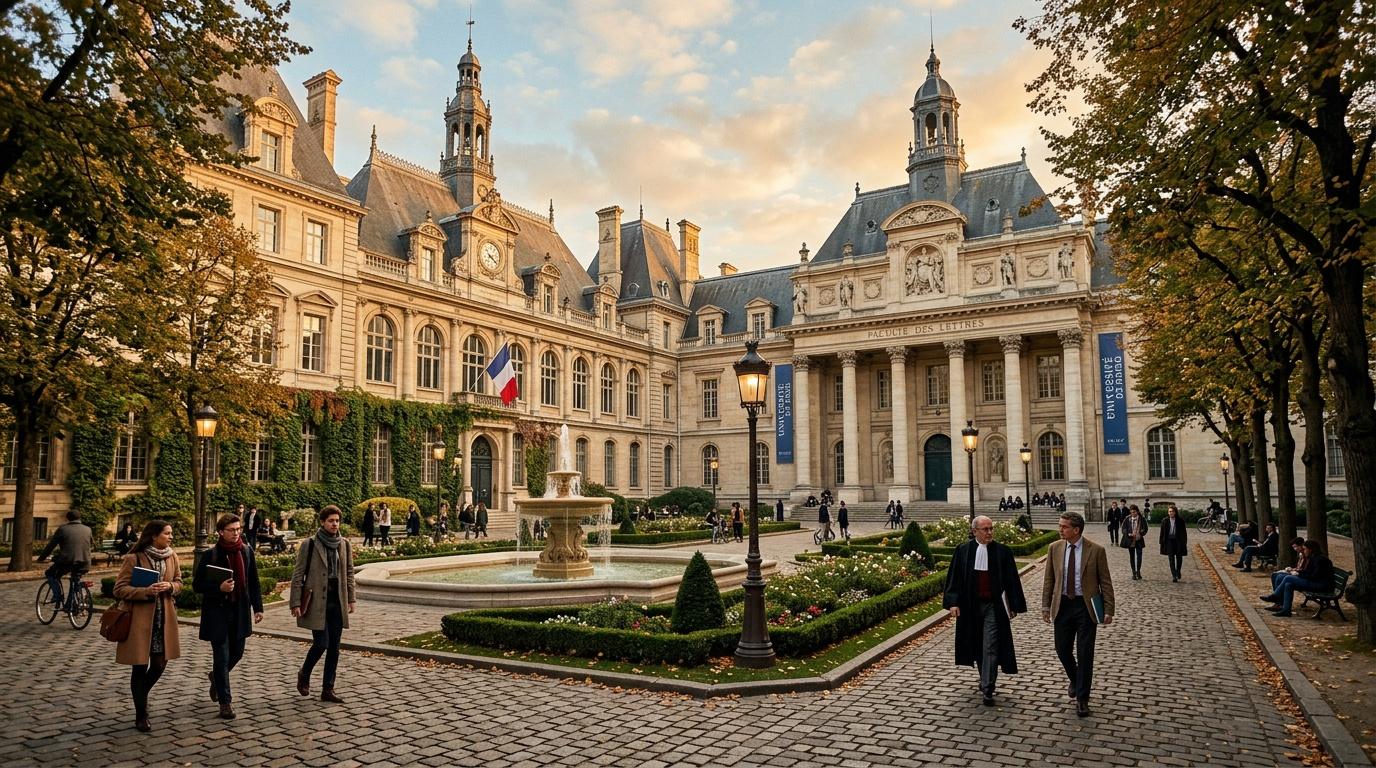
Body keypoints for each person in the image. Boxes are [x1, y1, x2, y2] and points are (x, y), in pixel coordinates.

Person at [944, 515, 1028, 706]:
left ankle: (988, 686)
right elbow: (954, 578)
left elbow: (1011, 580)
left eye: (991, 529)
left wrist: (1013, 606)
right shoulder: (963, 551)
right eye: (985, 529)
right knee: (977, 644)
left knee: (990, 644)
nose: (989, 532)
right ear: (975, 531)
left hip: (993, 605)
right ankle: (985, 678)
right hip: (970, 606)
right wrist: (953, 603)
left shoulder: (1003, 552)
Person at [1042, 511, 1115, 718]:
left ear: (1076, 530)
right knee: (1062, 649)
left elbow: (1105, 582)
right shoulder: (1054, 548)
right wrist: (1046, 607)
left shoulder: (1096, 550)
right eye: (1060, 526)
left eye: (1064, 527)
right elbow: (1049, 580)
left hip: (1086, 607)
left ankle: (1082, 698)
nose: (1060, 530)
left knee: (1085, 654)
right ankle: (1075, 679)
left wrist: (1109, 609)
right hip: (1063, 605)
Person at [193, 513, 264, 719]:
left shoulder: (246, 551)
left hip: (240, 612)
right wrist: (218, 587)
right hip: (217, 614)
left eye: (238, 529)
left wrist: (258, 607)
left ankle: (215, 677)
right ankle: (225, 703)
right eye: (231, 530)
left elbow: (254, 581)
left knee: (237, 653)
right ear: (220, 532)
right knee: (222, 657)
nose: (236, 533)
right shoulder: (211, 555)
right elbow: (197, 585)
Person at [114, 520, 182, 732]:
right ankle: (141, 714)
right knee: (140, 666)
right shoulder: (134, 557)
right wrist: (145, 591)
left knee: (160, 664)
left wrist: (170, 586)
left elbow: (180, 582)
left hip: (164, 620)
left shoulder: (172, 555)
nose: (171, 537)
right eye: (167, 533)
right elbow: (119, 589)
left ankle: (140, 695)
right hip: (140, 621)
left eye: (171, 533)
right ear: (154, 536)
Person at [291, 506, 356, 703]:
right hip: (317, 601)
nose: (334, 524)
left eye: (337, 521)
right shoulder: (309, 544)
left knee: (334, 647)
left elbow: (350, 572)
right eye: (330, 521)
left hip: (337, 600)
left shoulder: (344, 544)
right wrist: (295, 602)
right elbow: (297, 575)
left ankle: (328, 689)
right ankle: (304, 673)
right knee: (321, 643)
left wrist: (351, 598)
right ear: (322, 522)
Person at [1261, 539, 1334, 617]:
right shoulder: (1313, 558)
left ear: (1310, 549)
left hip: (1321, 585)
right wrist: (1298, 573)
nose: (1304, 551)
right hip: (1315, 582)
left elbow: (1314, 576)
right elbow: (1308, 572)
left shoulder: (1321, 560)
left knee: (1288, 578)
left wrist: (1298, 575)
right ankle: (1286, 610)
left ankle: (1275, 596)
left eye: (1305, 549)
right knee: (1288, 584)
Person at [38, 510, 94, 607]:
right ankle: (70, 604)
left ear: (68, 518)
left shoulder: (63, 529)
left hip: (67, 561)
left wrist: (41, 558)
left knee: (50, 574)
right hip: (85, 562)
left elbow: (51, 546)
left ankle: (57, 596)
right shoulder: (88, 529)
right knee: (75, 579)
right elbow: (92, 544)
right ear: (79, 518)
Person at [1158, 504, 1189, 582]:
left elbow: (1183, 532)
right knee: (1171, 558)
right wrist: (1161, 541)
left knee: (1179, 557)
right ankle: (1174, 575)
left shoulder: (1180, 521)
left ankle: (1178, 571)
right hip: (1169, 541)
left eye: (1172, 511)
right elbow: (1162, 532)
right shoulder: (1165, 520)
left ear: (1175, 512)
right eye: (1169, 511)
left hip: (1178, 540)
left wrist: (1184, 542)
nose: (1170, 513)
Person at [1121, 504, 1148, 579]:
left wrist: (1142, 533)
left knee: (1139, 556)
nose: (1133, 513)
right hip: (1130, 540)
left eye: (1135, 512)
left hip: (1139, 540)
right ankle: (1133, 572)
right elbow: (1123, 528)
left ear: (1137, 511)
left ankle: (1138, 571)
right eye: (1132, 512)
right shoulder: (1127, 519)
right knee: (1132, 556)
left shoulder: (1142, 519)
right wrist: (1128, 534)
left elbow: (1145, 528)